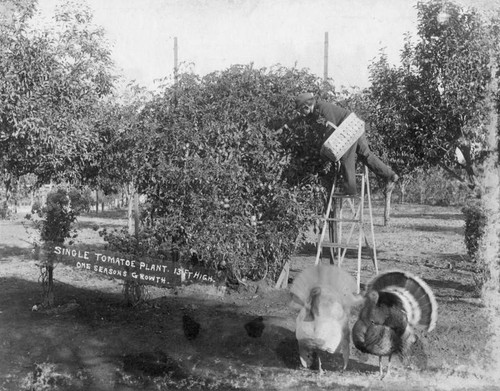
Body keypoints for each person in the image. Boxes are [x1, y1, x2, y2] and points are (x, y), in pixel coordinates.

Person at [293, 92, 399, 195]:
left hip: (348, 128)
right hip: (356, 126)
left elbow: (330, 127)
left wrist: (326, 147)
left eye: (301, 110)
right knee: (366, 155)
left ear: (306, 107)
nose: (301, 114)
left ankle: (350, 189)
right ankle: (390, 175)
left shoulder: (322, 108)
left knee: (346, 157)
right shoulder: (316, 110)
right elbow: (301, 119)